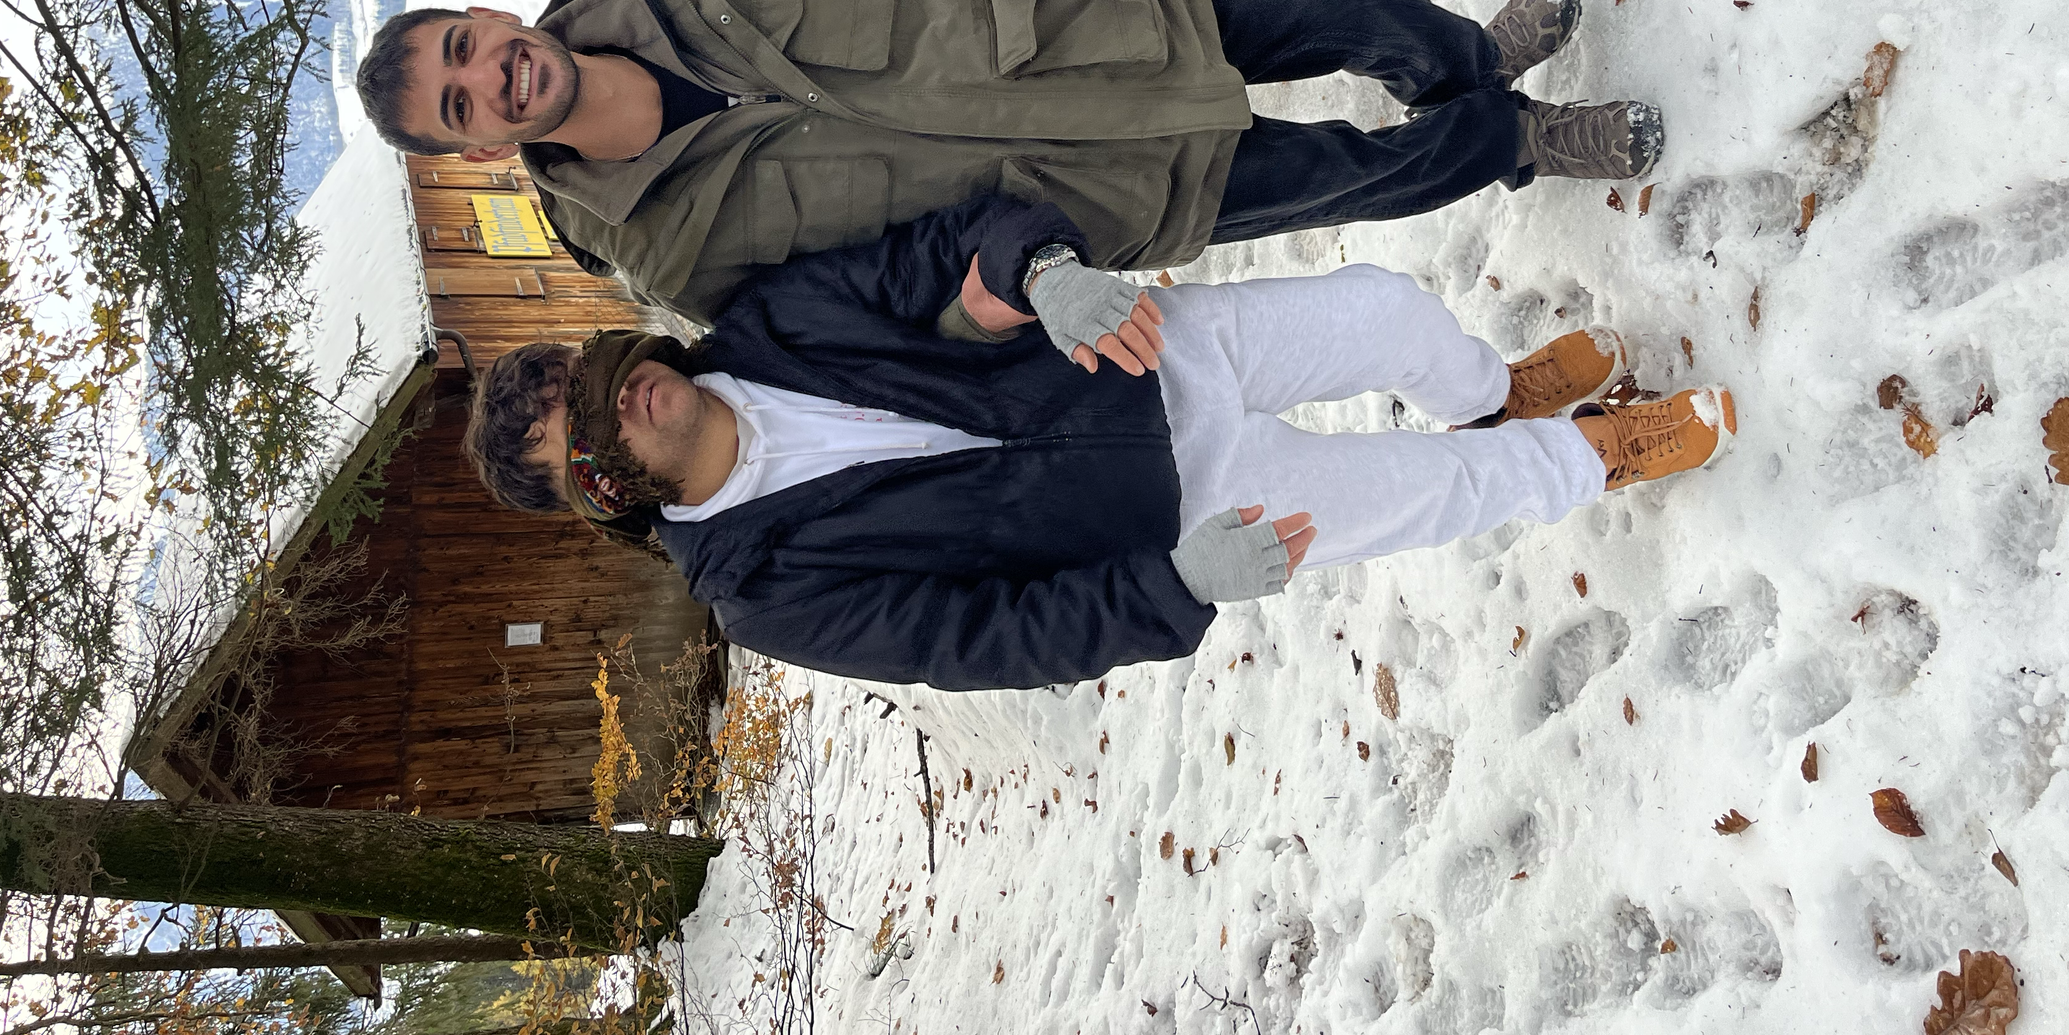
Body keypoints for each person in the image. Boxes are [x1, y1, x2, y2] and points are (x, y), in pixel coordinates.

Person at [459, 194, 1737, 691]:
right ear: (601, 497)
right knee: (1430, 496)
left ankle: (1489, 390)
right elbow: (984, 641)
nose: (617, 397)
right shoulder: (764, 590)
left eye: (591, 372)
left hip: (1142, 350)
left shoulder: (767, 324)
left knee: (1389, 310)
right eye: (585, 434)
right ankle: (1591, 456)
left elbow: (934, 252)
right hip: (1179, 517)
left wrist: (1042, 269)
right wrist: (1172, 591)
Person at [352, 0, 1662, 318]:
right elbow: (884, 306)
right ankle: (1517, 139)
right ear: (473, 145)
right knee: (1348, 174)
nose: (492, 75)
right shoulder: (672, 259)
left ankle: (1470, 68)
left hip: (1080, 35)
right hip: (1086, 198)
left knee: (1341, 5)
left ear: (486, 19)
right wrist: (1000, 294)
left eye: (466, 45)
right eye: (462, 102)